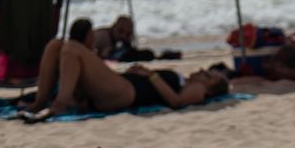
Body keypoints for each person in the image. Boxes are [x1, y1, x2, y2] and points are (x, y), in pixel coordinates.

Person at [17, 37, 228, 121]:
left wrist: (151, 75)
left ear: (210, 88)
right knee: (56, 45)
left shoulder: (198, 89)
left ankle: (58, 104)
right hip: (121, 84)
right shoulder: (186, 80)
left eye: (208, 75)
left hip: (126, 92)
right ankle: (40, 103)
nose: (203, 70)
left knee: (72, 48)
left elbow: (176, 102)